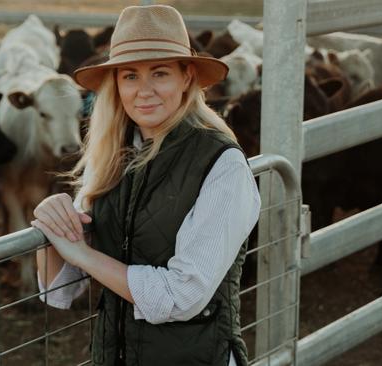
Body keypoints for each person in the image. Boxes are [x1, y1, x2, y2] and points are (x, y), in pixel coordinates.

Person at [30, 5, 260, 366]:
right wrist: (49, 223)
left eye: (160, 73)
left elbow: (183, 296)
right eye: (130, 76)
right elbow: (62, 289)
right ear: (116, 84)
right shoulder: (111, 159)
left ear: (187, 78)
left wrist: (82, 254)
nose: (144, 90)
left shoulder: (221, 164)